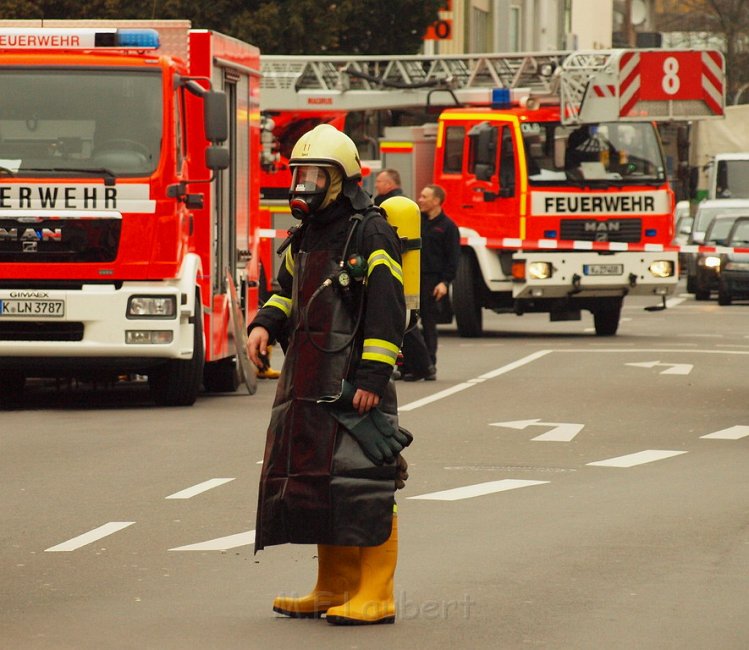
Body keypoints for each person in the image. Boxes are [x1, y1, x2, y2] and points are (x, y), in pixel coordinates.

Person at [246, 124, 411, 626]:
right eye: (299, 173)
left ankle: (376, 594)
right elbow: (286, 292)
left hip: (351, 385)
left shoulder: (372, 230)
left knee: (364, 482)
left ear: (341, 179)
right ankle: (333, 586)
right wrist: (264, 325)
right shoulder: (308, 233)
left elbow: (388, 311)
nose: (304, 184)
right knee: (322, 482)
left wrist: (370, 380)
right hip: (309, 381)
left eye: (315, 175)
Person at [401, 184, 460, 381]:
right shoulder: (418, 223)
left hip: (432, 281)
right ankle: (411, 365)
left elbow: (453, 259)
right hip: (413, 278)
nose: (420, 199)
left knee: (428, 323)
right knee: (408, 323)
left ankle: (429, 365)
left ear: (436, 201)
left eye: (425, 196)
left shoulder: (448, 227)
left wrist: (444, 282)